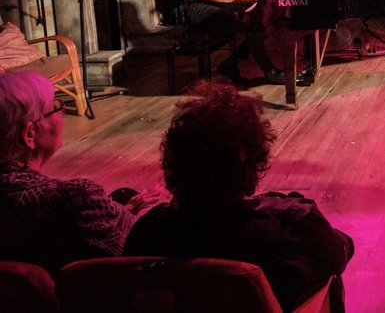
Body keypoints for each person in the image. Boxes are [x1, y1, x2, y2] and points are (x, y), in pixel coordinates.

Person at [124, 85, 354, 312]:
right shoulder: (292, 228)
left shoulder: (147, 232)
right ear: (252, 165)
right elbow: (342, 251)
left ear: (173, 166)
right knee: (328, 280)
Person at [0, 71, 162, 273]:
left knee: (123, 195)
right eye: (55, 108)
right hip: (77, 301)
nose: (62, 112)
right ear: (29, 134)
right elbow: (138, 246)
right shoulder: (76, 199)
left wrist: (120, 212)